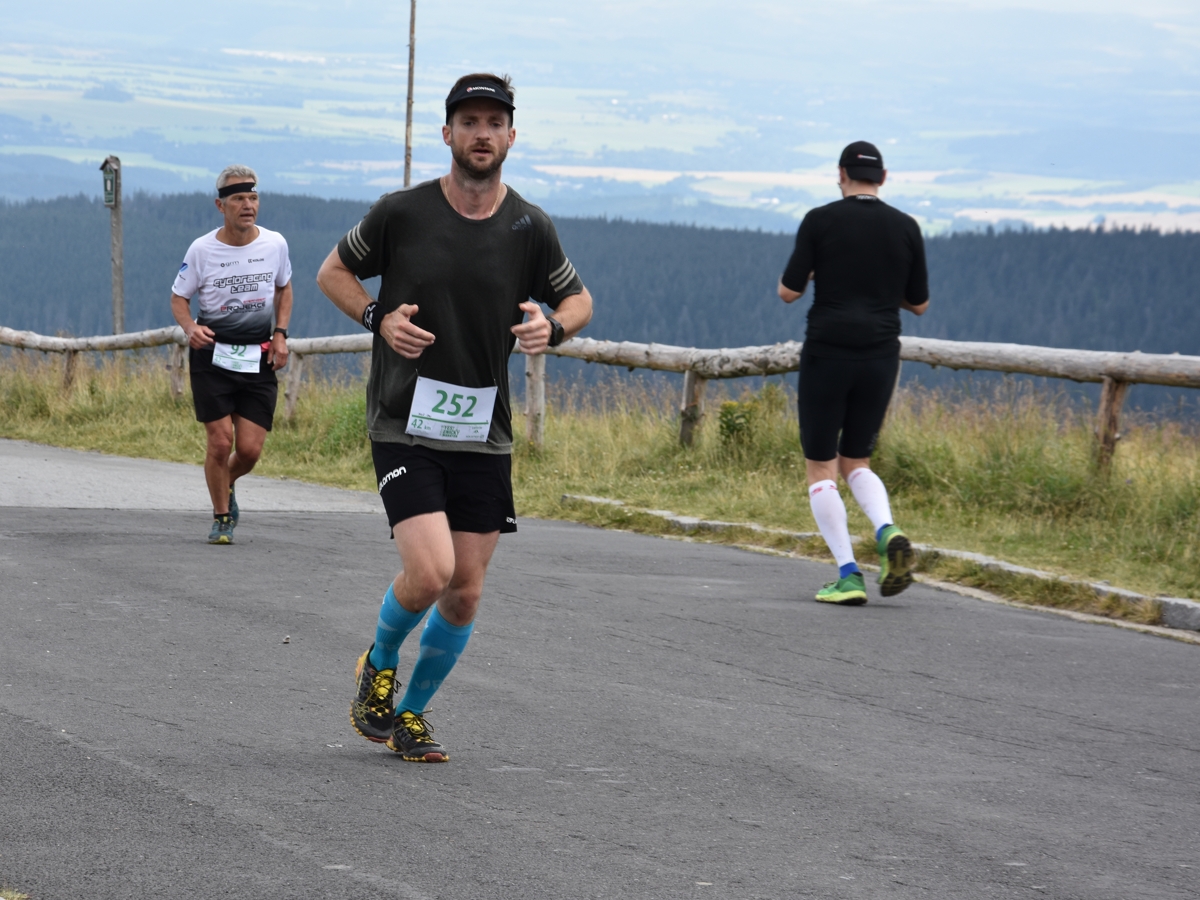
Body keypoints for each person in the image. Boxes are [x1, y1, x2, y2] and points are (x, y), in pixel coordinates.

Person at [316, 73, 593, 762]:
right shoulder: (401, 213)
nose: (481, 133)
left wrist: (553, 327)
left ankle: (410, 715)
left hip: (483, 433)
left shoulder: (529, 225)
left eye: (494, 122)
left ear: (511, 136)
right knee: (432, 572)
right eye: (469, 122)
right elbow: (332, 273)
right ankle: (380, 660)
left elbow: (579, 300)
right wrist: (378, 318)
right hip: (403, 422)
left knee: (465, 592)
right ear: (447, 134)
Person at [778, 141, 929, 605]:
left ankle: (848, 574)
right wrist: (879, 285)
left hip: (828, 350)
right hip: (881, 354)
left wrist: (825, 273)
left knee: (821, 465)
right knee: (856, 460)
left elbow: (788, 292)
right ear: (883, 178)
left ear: (841, 175)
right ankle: (887, 530)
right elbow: (919, 303)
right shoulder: (906, 227)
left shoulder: (820, 220)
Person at [170, 165, 293, 545]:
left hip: (258, 356)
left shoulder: (274, 244)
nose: (247, 205)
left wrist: (281, 334)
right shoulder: (202, 249)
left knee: (250, 451)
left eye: (253, 198)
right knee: (221, 442)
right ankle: (221, 516)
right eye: (238, 198)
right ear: (220, 205)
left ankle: (226, 481)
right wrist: (190, 328)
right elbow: (178, 298)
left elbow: (284, 288)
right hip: (212, 356)